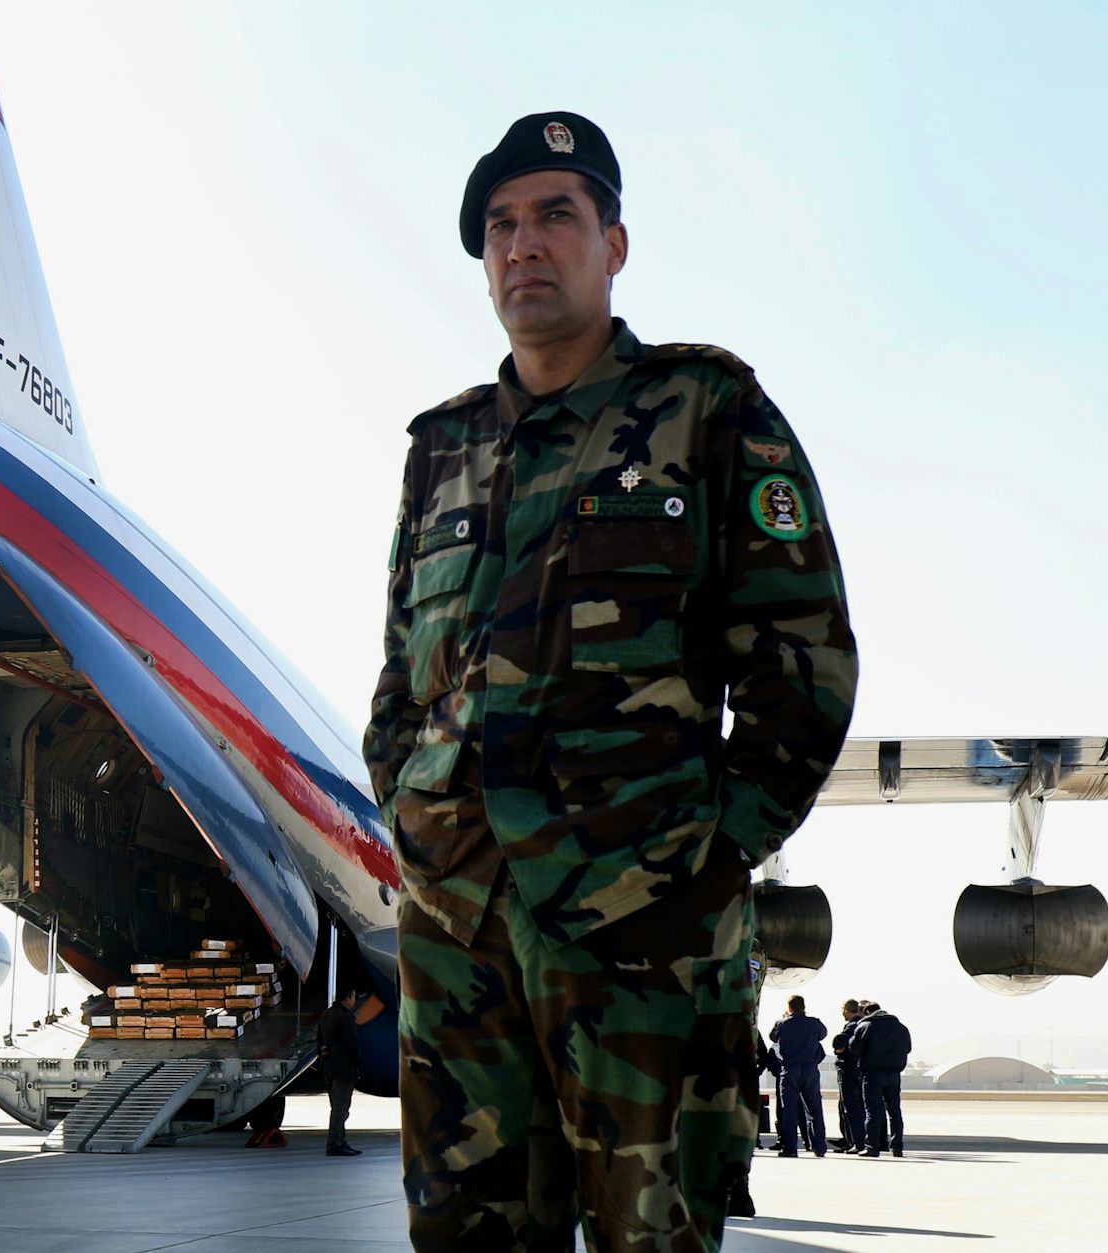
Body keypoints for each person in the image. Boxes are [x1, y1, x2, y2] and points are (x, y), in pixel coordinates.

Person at [364, 110, 858, 1251]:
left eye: (556, 215)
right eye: (500, 226)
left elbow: (804, 656)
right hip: (457, 926)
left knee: (656, 1238)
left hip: (644, 920)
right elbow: (402, 680)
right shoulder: (441, 448)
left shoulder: (706, 410)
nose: (523, 244)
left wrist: (713, 854)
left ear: (613, 245)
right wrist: (413, 814)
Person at [848, 1000, 910, 1157]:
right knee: (895, 1112)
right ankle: (897, 1147)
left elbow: (854, 1048)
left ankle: (872, 1147)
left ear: (867, 1012)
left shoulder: (866, 1026)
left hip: (872, 1074)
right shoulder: (900, 1027)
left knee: (873, 1112)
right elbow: (908, 1048)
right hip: (894, 1074)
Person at [769, 995, 828, 1158]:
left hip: (790, 1070)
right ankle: (819, 1147)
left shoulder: (782, 1024)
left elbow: (773, 1037)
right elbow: (823, 1035)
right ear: (803, 1007)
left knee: (789, 1111)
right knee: (815, 1109)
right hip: (810, 1069)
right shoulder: (815, 1023)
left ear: (790, 1008)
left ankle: (790, 1148)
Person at [318, 988, 364, 1157]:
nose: (355, 1000)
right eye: (354, 997)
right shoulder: (345, 1017)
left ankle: (340, 1141)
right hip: (343, 1068)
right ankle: (335, 1143)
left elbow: (320, 1041)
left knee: (336, 1107)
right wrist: (358, 1063)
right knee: (341, 1109)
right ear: (348, 998)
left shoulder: (326, 1015)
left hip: (328, 1067)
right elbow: (352, 1044)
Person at [830, 998, 867, 1153]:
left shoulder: (852, 1026)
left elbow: (838, 1042)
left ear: (846, 1010)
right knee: (857, 1106)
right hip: (859, 1070)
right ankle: (852, 1140)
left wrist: (841, 1049)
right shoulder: (863, 1024)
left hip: (848, 1070)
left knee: (851, 1107)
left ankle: (856, 1142)